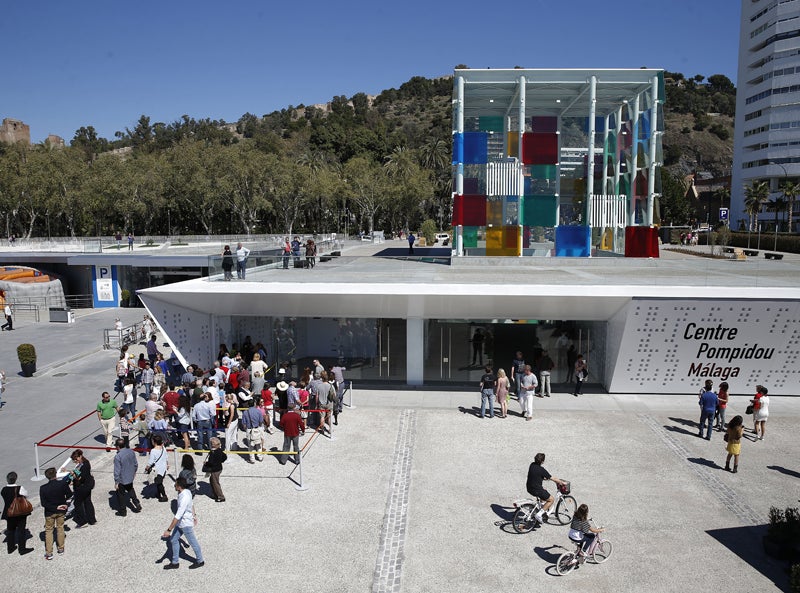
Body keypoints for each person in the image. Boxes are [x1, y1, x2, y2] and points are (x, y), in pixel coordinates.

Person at [162, 477, 204, 570]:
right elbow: (192, 504)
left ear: (179, 486)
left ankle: (200, 560)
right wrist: (194, 515)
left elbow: (177, 516)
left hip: (185, 524)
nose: (174, 485)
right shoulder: (186, 492)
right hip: (181, 523)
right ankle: (175, 562)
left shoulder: (184, 497)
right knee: (173, 540)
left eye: (175, 484)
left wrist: (169, 530)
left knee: (193, 542)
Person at [39, 467, 71, 560]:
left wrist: (54, 507)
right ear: (56, 474)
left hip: (49, 512)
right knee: (60, 528)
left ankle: (49, 553)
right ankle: (61, 548)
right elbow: (69, 494)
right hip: (61, 510)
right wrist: (64, 503)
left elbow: (43, 503)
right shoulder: (62, 484)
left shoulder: (43, 488)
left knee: (49, 531)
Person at [526, 452, 566, 524]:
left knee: (544, 492)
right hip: (536, 489)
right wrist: (561, 482)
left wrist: (543, 478)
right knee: (551, 499)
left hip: (529, 488)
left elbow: (537, 475)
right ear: (542, 461)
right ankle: (539, 515)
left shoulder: (532, 465)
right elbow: (552, 478)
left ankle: (539, 509)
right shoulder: (542, 470)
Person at [2, 471, 33, 555]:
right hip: (19, 513)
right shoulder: (19, 488)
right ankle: (22, 549)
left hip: (9, 512)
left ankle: (10, 548)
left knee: (10, 530)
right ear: (15, 479)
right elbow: (26, 495)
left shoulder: (3, 489)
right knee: (21, 530)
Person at [113, 438, 142, 516]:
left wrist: (116, 482)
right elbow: (135, 464)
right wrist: (134, 472)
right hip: (130, 476)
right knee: (130, 489)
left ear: (118, 446)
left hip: (122, 478)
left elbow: (117, 471)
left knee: (120, 494)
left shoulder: (118, 457)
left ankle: (123, 511)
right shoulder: (131, 451)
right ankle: (136, 502)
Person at [69, 450, 96, 528]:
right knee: (88, 501)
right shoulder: (84, 463)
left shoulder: (84, 465)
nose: (75, 461)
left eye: (76, 459)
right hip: (88, 485)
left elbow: (81, 477)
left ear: (80, 456)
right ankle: (92, 519)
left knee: (77, 503)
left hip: (82, 487)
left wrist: (73, 476)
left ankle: (83, 522)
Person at [241, 396, 265, 463]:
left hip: (249, 430)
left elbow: (244, 423)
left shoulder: (245, 412)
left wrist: (246, 429)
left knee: (250, 446)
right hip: (257, 428)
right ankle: (260, 457)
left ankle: (252, 459)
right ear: (254, 404)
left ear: (248, 404)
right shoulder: (258, 411)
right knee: (258, 444)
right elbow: (261, 421)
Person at [147, 434, 169, 502]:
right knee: (158, 482)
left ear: (155, 442)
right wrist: (167, 465)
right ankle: (158, 494)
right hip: (163, 468)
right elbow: (166, 457)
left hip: (157, 469)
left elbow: (150, 461)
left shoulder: (153, 451)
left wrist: (147, 467)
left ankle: (164, 495)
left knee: (159, 483)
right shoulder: (163, 448)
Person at [205, 437, 227, 502]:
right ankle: (215, 494)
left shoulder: (213, 452)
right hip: (218, 468)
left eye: (213, 443)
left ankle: (221, 496)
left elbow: (211, 462)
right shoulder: (219, 450)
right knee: (212, 481)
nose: (212, 444)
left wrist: (206, 464)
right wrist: (220, 461)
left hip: (215, 469)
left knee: (215, 483)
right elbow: (225, 457)